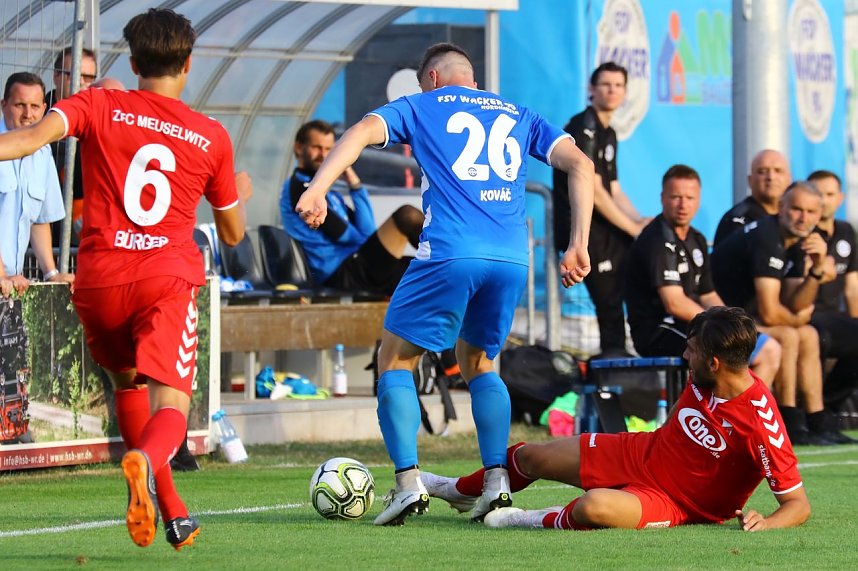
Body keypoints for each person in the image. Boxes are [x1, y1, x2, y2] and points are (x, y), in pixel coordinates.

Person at [296, 42, 594, 526]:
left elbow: (359, 132)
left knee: (394, 358)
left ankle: (408, 482)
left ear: (431, 79)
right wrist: (578, 243)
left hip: (452, 250)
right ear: (472, 79)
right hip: (511, 258)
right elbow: (582, 164)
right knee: (479, 362)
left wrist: (317, 188)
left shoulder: (423, 104)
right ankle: (496, 484)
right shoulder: (518, 112)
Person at [0, 8, 252, 549]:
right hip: (164, 279)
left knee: (127, 383)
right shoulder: (210, 136)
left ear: (133, 62)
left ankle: (175, 509)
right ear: (188, 64)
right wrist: (241, 192)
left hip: (98, 281)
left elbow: (22, 141)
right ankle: (143, 459)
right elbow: (232, 233)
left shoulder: (97, 104)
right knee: (172, 408)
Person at [423, 307, 811, 531]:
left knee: (594, 507)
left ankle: (521, 519)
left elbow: (797, 504)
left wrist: (769, 523)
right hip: (640, 452)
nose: (685, 357)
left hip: (675, 503)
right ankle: (454, 489)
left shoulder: (761, 423)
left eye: (691, 352)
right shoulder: (706, 376)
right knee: (529, 456)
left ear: (714, 363)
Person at [711, 182, 850, 444]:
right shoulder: (767, 236)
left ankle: (817, 420)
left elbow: (796, 303)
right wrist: (799, 318)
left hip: (745, 320)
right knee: (789, 334)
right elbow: (772, 313)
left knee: (808, 334)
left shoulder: (799, 241)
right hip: (719, 324)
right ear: (782, 207)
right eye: (796, 209)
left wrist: (817, 269)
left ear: (819, 215)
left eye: (810, 212)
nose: (803, 217)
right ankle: (791, 422)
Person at [625, 165, 780, 383]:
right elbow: (675, 304)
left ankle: (751, 414)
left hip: (690, 325)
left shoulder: (696, 239)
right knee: (734, 355)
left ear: (699, 199)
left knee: (770, 349)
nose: (683, 204)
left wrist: (734, 321)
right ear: (662, 198)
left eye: (689, 197)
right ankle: (729, 415)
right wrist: (721, 327)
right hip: (659, 331)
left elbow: (708, 294)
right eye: (676, 197)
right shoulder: (657, 240)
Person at [552, 62, 649, 357]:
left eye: (618, 85)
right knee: (607, 302)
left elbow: (614, 189)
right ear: (591, 90)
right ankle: (613, 373)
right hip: (584, 231)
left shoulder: (609, 133)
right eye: (606, 85)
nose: (612, 91)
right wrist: (631, 227)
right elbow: (593, 189)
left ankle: (624, 364)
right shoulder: (583, 127)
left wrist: (640, 221)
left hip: (607, 230)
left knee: (625, 294)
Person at [280, 119, 423, 296]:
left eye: (328, 149)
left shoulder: (330, 194)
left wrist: (354, 185)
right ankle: (449, 252)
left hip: (357, 265)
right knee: (407, 216)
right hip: (341, 274)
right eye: (316, 147)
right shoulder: (300, 189)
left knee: (426, 270)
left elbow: (367, 229)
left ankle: (450, 260)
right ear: (299, 148)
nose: (323, 155)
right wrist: (373, 243)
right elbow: (346, 235)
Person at [0, 71, 74, 298]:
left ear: (44, 108)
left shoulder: (42, 153)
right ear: (4, 105)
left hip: (10, 284)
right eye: (20, 105)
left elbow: (39, 220)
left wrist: (51, 273)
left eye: (34, 106)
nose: (27, 115)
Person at [806, 170, 858, 426]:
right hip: (807, 314)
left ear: (840, 198)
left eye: (829, 194)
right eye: (818, 194)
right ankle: (815, 412)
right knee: (816, 338)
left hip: (835, 317)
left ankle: (831, 405)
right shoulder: (804, 232)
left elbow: (852, 288)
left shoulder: (847, 231)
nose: (823, 201)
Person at [46, 46, 98, 247]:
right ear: (56, 76)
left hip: (79, 239)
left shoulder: (96, 122)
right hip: (35, 234)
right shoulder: (36, 115)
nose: (81, 82)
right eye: (74, 74)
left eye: (88, 77)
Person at [713, 149, 791, 247]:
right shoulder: (737, 219)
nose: (771, 177)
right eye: (762, 171)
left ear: (789, 179)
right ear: (750, 180)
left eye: (778, 171)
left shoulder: (794, 218)